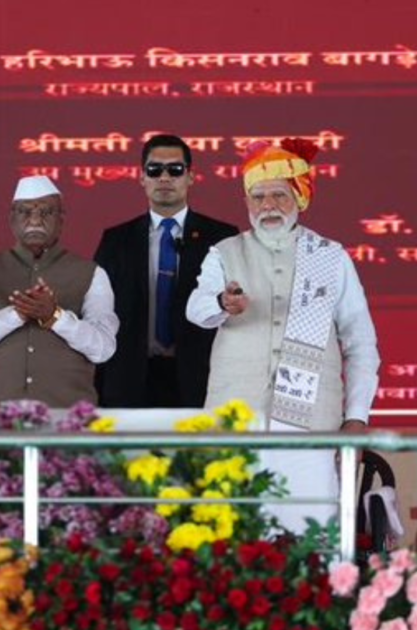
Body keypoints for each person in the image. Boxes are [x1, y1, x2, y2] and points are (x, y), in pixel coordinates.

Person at [186, 138, 380, 534]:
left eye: (278, 194)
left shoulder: (330, 256)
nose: (268, 206)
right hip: (238, 421)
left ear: (300, 196)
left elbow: (360, 342)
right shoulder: (224, 252)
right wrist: (223, 303)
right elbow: (196, 309)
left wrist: (357, 415)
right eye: (257, 197)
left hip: (308, 423)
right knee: (233, 536)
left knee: (313, 535)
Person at [94, 134, 238, 408]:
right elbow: (99, 312)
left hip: (202, 378)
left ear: (190, 177)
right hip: (129, 380)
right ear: (141, 178)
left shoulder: (221, 236)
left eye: (175, 170)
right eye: (154, 170)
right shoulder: (116, 240)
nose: (164, 177)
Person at [0, 175, 118, 406]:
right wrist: (15, 315)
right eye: (25, 212)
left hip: (68, 420)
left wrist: (55, 317)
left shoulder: (91, 273)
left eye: (46, 212)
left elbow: (103, 348)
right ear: (11, 219)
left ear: (61, 219)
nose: (35, 220)